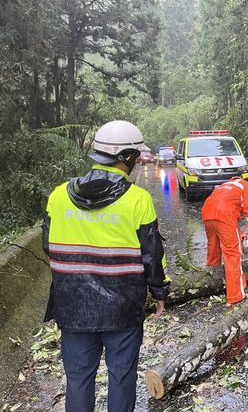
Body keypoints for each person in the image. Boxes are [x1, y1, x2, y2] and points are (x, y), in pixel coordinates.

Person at [42, 120, 170, 412]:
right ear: (126, 157)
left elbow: (47, 246)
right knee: (122, 379)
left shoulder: (59, 195)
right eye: (136, 157)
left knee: (78, 381)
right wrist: (160, 294)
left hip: (72, 307)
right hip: (123, 311)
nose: (137, 162)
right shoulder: (138, 200)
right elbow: (152, 256)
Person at [202, 177, 248, 305]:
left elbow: (229, 213)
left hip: (207, 212)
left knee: (213, 249)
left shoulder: (225, 186)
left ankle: (212, 283)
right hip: (224, 214)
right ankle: (236, 296)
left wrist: (240, 234)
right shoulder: (245, 185)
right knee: (233, 254)